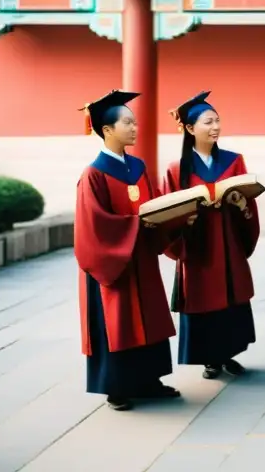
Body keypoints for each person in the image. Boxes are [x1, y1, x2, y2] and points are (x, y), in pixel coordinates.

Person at [74, 90, 180, 411]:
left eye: (135, 123)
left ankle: (149, 380)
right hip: (112, 263)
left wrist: (172, 214)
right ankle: (115, 387)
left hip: (141, 258)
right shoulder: (93, 174)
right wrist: (136, 225)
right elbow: (94, 224)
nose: (135, 128)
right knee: (117, 320)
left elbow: (155, 202)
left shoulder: (137, 166)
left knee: (148, 315)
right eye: (128, 123)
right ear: (107, 130)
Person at [163, 91, 259, 380]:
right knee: (204, 298)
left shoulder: (233, 161)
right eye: (208, 122)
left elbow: (248, 201)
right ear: (190, 129)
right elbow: (167, 210)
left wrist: (241, 206)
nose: (215, 127)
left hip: (228, 241)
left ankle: (229, 353)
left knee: (230, 297)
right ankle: (209, 358)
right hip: (197, 246)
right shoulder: (177, 169)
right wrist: (187, 216)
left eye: (217, 121)